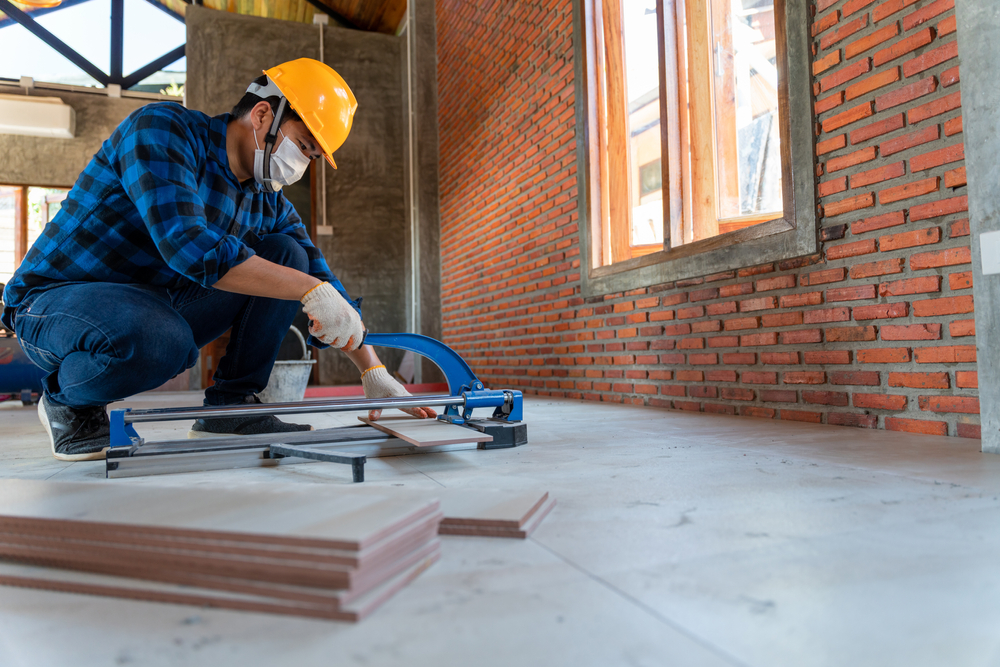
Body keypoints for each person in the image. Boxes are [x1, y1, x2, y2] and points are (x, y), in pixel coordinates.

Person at [0, 58, 435, 462]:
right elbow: (188, 245)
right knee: (160, 339)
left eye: (313, 157)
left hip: (155, 303)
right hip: (57, 301)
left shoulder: (269, 204)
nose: (303, 164)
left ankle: (231, 409)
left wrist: (372, 369)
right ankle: (65, 401)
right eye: (303, 146)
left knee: (289, 255)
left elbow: (319, 279)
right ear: (263, 115)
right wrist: (306, 289)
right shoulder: (162, 130)